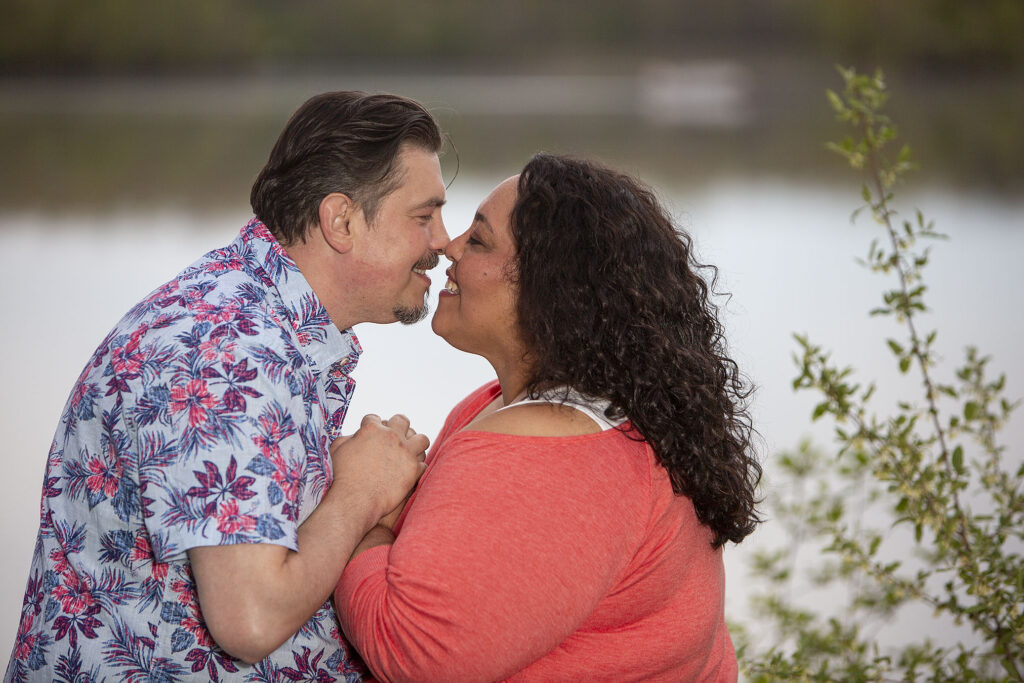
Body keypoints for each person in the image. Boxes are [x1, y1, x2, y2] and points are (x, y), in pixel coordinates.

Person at [6, 91, 449, 682]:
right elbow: (250, 618)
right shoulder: (228, 353)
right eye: (423, 216)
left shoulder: (254, 318)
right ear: (340, 220)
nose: (443, 240)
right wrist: (359, 493)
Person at [334, 153, 762, 682]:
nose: (449, 246)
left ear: (551, 292)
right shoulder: (537, 405)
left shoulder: (548, 455)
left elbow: (415, 654)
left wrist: (361, 510)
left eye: (480, 241)